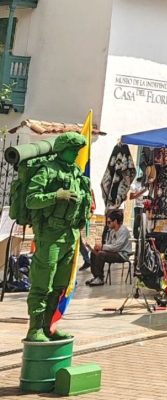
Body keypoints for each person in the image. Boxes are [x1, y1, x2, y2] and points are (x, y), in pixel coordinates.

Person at [20, 132, 92, 341]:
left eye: (77, 151)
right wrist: (56, 196)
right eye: (72, 151)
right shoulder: (47, 171)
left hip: (70, 235)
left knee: (59, 285)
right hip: (50, 234)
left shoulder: (77, 174)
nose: (75, 154)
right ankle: (34, 329)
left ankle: (48, 326)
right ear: (61, 150)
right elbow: (31, 200)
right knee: (43, 283)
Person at [86, 209, 132, 286]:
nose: (107, 224)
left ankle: (100, 278)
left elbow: (116, 247)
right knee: (94, 253)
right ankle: (96, 276)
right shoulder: (112, 231)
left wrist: (102, 247)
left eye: (109, 222)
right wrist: (97, 248)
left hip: (122, 254)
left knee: (101, 254)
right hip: (114, 252)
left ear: (115, 221)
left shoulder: (123, 231)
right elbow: (109, 245)